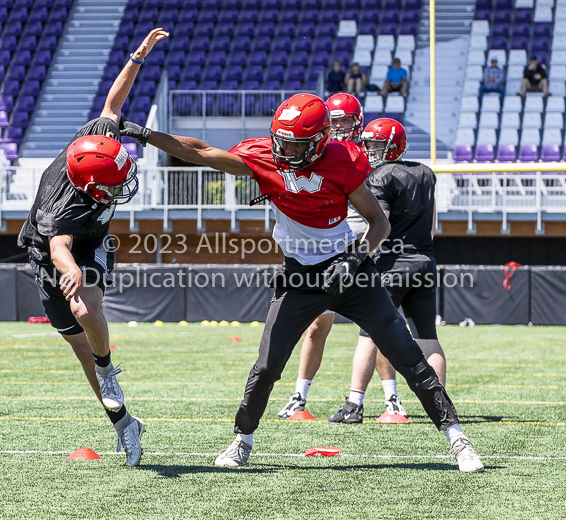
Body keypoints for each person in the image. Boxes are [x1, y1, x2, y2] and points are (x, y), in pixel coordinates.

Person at [143, 93, 484, 473]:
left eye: (294, 142)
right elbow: (201, 152)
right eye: (281, 139)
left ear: (319, 141)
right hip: (299, 277)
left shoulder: (342, 160)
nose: (284, 148)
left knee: (407, 355)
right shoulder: (264, 155)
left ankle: (457, 438)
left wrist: (355, 259)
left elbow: (380, 224)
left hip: (350, 273)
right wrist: (144, 134)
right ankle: (242, 439)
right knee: (268, 366)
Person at [17, 28, 169, 467]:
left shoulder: (95, 143)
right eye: (113, 183)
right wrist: (68, 269)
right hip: (53, 253)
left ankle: (107, 369)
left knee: (86, 311)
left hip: (92, 245)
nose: (123, 185)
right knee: (78, 346)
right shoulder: (63, 205)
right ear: (89, 186)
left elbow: (112, 105)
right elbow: (57, 243)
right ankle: (124, 422)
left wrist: (137, 57)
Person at [277, 95, 410, 425]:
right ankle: (299, 397)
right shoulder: (313, 150)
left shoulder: (367, 153)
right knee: (316, 325)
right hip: (322, 250)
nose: (338, 128)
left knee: (377, 326)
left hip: (361, 248)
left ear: (358, 122)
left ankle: (391, 399)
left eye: (344, 122)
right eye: (332, 122)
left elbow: (380, 209)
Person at [327, 119, 449, 427]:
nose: (369, 151)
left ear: (393, 146)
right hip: (424, 261)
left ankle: (354, 404)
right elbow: (432, 227)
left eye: (376, 145)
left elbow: (378, 224)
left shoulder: (380, 175)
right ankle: (441, 406)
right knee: (427, 336)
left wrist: (357, 256)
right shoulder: (426, 173)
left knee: (368, 334)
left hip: (391, 264)